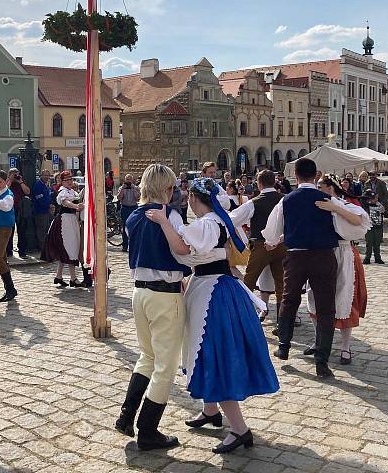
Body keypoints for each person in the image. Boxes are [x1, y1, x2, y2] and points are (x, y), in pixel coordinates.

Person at [147, 177, 279, 453]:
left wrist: (165, 222)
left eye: (189, 198)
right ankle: (210, 410)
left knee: (212, 354)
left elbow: (183, 248)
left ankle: (240, 429)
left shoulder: (207, 224)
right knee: (203, 350)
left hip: (212, 292)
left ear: (196, 199)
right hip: (211, 287)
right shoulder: (218, 222)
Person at [114, 164, 190, 450]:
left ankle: (126, 416)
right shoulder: (170, 215)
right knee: (166, 366)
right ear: (166, 188)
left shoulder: (132, 216)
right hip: (164, 295)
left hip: (140, 293)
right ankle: (147, 429)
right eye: (172, 187)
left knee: (147, 356)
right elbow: (182, 249)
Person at [262, 157, 340, 378]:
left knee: (289, 299)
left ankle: (284, 346)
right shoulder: (327, 198)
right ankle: (322, 361)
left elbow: (271, 231)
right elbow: (346, 226)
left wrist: (278, 238)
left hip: (296, 256)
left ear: (295, 175)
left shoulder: (286, 200)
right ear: (316, 176)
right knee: (326, 307)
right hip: (324, 256)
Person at [310, 176, 370, 365]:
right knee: (315, 297)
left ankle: (345, 347)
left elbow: (359, 220)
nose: (317, 189)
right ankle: (318, 341)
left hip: (343, 252)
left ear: (330, 188)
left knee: (345, 297)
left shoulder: (345, 204)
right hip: (321, 252)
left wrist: (335, 207)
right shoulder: (315, 205)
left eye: (320, 186)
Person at [232, 170, 285, 329]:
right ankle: (283, 320)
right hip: (282, 245)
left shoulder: (254, 202)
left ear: (258, 183)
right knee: (282, 284)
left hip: (261, 245)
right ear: (274, 182)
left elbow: (233, 219)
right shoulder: (284, 200)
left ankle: (244, 315)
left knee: (249, 280)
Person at [42, 171, 84, 287]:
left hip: (72, 220)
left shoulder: (72, 191)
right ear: (62, 181)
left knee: (67, 247)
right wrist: (76, 206)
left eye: (70, 179)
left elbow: (76, 199)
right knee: (70, 246)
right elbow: (65, 202)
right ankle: (73, 278)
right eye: (67, 180)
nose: (69, 182)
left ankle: (59, 276)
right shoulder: (63, 191)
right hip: (65, 221)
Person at [0, 170, 17, 302]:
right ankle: (9, 289)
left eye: (0, 182)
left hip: (4, 228)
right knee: (2, 258)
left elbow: (7, 206)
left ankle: (10, 288)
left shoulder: (8, 194)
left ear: (6, 181)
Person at [6, 168, 32, 258]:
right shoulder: (7, 182)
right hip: (10, 209)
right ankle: (9, 251)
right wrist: (10, 179)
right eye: (13, 174)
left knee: (22, 230)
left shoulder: (21, 182)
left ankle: (22, 251)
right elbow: (4, 190)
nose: (15, 176)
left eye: (16, 174)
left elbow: (27, 191)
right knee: (10, 231)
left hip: (21, 209)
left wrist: (20, 181)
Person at [117, 174, 140, 252]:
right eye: (127, 179)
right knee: (124, 227)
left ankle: (133, 246)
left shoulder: (136, 188)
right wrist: (123, 189)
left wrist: (133, 189)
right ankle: (125, 245)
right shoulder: (121, 188)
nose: (128, 181)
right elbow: (119, 198)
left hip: (133, 208)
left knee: (133, 227)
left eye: (130, 179)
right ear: (125, 180)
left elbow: (137, 198)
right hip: (125, 208)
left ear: (132, 180)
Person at [31, 169, 53, 253]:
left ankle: (46, 247)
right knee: (41, 231)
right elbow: (39, 199)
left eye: (48, 175)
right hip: (40, 211)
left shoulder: (46, 185)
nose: (47, 177)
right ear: (41, 175)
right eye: (45, 175)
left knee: (47, 229)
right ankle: (42, 248)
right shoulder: (38, 185)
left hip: (47, 211)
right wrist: (48, 205)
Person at [361, 190, 385, 264]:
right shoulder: (365, 206)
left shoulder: (379, 205)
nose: (376, 199)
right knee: (369, 243)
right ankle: (367, 257)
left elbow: (384, 211)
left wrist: (378, 203)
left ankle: (377, 258)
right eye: (374, 198)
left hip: (378, 226)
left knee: (377, 243)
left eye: (377, 198)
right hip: (369, 227)